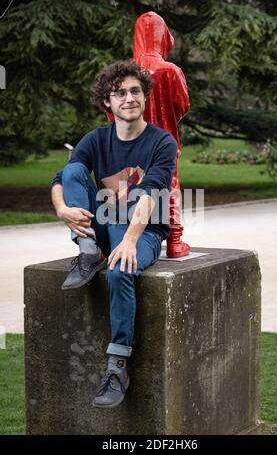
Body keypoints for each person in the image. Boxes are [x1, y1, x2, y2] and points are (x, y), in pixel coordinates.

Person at [50, 59, 177, 409]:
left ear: (145, 97)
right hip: (102, 227)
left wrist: (131, 240)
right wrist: (62, 209)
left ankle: (117, 365)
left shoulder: (161, 142)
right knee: (73, 168)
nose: (128, 98)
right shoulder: (96, 138)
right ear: (108, 102)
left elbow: (150, 193)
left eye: (135, 90)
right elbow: (61, 181)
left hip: (144, 231)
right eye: (119, 93)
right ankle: (88, 251)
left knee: (121, 268)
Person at [134, 11, 191, 258]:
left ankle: (127, 237)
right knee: (170, 186)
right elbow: (182, 105)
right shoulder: (171, 71)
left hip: (130, 141)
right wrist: (167, 118)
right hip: (165, 139)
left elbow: (111, 110)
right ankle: (175, 242)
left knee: (131, 185)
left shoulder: (125, 71)